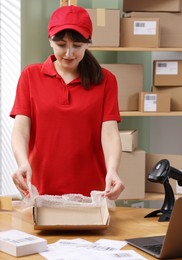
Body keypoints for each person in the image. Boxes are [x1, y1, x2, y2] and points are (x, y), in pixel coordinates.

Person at [10, 5, 125, 200]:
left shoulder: (106, 80)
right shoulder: (30, 76)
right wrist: (22, 163)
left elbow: (110, 133)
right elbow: (21, 129)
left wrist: (113, 169)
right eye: (62, 45)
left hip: (92, 192)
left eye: (77, 46)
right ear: (50, 41)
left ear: (88, 44)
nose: (69, 53)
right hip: (40, 189)